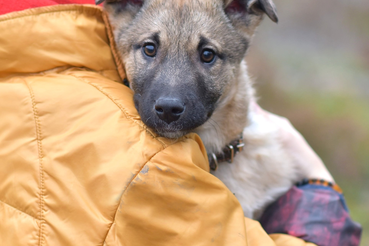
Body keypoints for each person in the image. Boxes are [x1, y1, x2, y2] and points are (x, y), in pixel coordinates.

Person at [0, 1, 361, 245]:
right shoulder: (141, 165)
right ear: (116, 13)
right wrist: (318, 181)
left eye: (207, 55)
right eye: (150, 50)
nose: (171, 97)